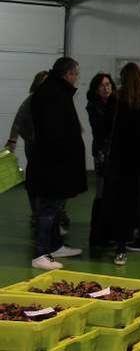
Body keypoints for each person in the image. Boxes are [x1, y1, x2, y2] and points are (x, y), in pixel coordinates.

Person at [28, 57, 86, 270]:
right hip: (52, 164)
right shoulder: (53, 94)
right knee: (49, 208)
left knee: (55, 207)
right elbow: (54, 133)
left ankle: (54, 246)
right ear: (67, 74)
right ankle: (41, 253)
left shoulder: (54, 91)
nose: (76, 78)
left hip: (55, 162)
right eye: (75, 74)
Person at [106, 63, 140, 266]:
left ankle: (120, 248)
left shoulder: (119, 99)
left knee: (122, 203)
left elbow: (114, 129)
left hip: (123, 158)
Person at [6, 70, 49, 224]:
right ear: (37, 84)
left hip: (50, 147)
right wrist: (13, 140)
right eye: (43, 81)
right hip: (34, 147)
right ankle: (36, 213)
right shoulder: (31, 101)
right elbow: (18, 121)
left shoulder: (54, 101)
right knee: (34, 181)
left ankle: (55, 213)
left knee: (51, 181)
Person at [86, 72, 116, 249]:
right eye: (102, 86)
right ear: (96, 89)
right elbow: (101, 129)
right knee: (101, 192)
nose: (106, 88)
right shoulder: (94, 106)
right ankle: (99, 232)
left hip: (113, 152)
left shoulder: (116, 103)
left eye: (108, 85)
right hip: (102, 153)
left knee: (112, 192)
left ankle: (110, 230)